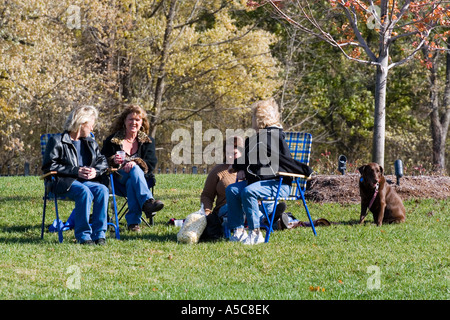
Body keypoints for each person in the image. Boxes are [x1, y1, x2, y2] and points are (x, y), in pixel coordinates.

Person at [226, 98, 312, 245]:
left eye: (253, 116)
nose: (251, 120)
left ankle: (255, 233)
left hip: (279, 185)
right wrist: (239, 167)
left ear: (259, 119)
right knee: (232, 190)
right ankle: (239, 231)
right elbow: (251, 159)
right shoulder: (258, 138)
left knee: (248, 191)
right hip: (261, 183)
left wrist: (237, 165)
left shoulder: (272, 137)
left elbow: (280, 161)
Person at [42, 105, 109, 245]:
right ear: (81, 123)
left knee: (102, 189)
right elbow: (49, 166)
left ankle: (99, 234)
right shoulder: (57, 141)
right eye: (91, 125)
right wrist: (75, 170)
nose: (92, 129)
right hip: (62, 182)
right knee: (84, 191)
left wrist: (95, 171)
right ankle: (83, 235)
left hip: (85, 182)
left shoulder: (90, 142)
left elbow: (102, 161)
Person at [101, 104, 163, 232]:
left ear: (142, 123)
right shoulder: (112, 140)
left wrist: (135, 162)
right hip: (117, 179)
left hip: (139, 181)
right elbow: (101, 161)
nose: (133, 122)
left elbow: (151, 163)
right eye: (130, 119)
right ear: (124, 121)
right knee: (133, 172)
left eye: (137, 120)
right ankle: (147, 202)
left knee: (132, 178)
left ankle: (133, 224)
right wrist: (112, 160)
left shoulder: (147, 141)